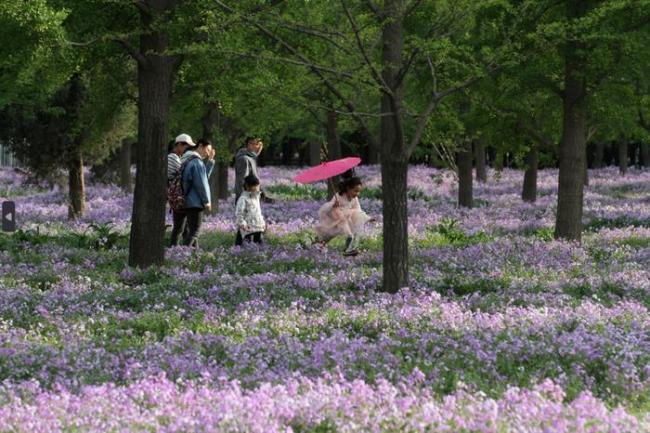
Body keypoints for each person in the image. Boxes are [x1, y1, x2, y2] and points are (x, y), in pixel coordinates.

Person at [315, 174, 372, 256]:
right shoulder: (338, 196)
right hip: (336, 219)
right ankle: (319, 244)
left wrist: (368, 218)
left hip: (347, 220)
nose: (357, 194)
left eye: (359, 191)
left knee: (350, 236)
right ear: (348, 188)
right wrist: (333, 205)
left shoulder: (354, 199)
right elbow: (327, 209)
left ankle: (347, 250)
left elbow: (358, 210)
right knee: (329, 235)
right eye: (355, 191)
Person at [180, 138, 213, 247]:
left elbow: (203, 178)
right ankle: (181, 254)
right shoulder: (197, 162)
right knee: (195, 231)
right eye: (207, 150)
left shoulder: (189, 160)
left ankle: (195, 256)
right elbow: (201, 184)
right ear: (200, 146)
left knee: (192, 230)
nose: (208, 154)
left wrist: (210, 161)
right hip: (196, 202)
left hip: (189, 201)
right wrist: (206, 201)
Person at [168, 134, 195, 246]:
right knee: (180, 228)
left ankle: (181, 250)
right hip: (177, 197)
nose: (187, 149)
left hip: (176, 197)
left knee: (183, 228)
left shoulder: (176, 157)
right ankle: (176, 250)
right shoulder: (173, 158)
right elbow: (181, 175)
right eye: (186, 146)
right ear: (178, 145)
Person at [234, 137, 273, 204]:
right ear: (247, 144)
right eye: (252, 143)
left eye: (257, 144)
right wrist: (244, 199)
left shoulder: (250, 157)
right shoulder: (244, 159)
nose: (255, 146)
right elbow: (242, 180)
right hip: (246, 198)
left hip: (251, 196)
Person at [235, 175, 266, 246]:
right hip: (247, 227)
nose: (257, 188)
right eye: (255, 186)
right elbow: (239, 213)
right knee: (244, 244)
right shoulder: (243, 199)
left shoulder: (256, 197)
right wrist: (242, 224)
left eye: (258, 186)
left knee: (258, 245)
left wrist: (262, 223)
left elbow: (258, 212)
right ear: (247, 186)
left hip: (258, 226)